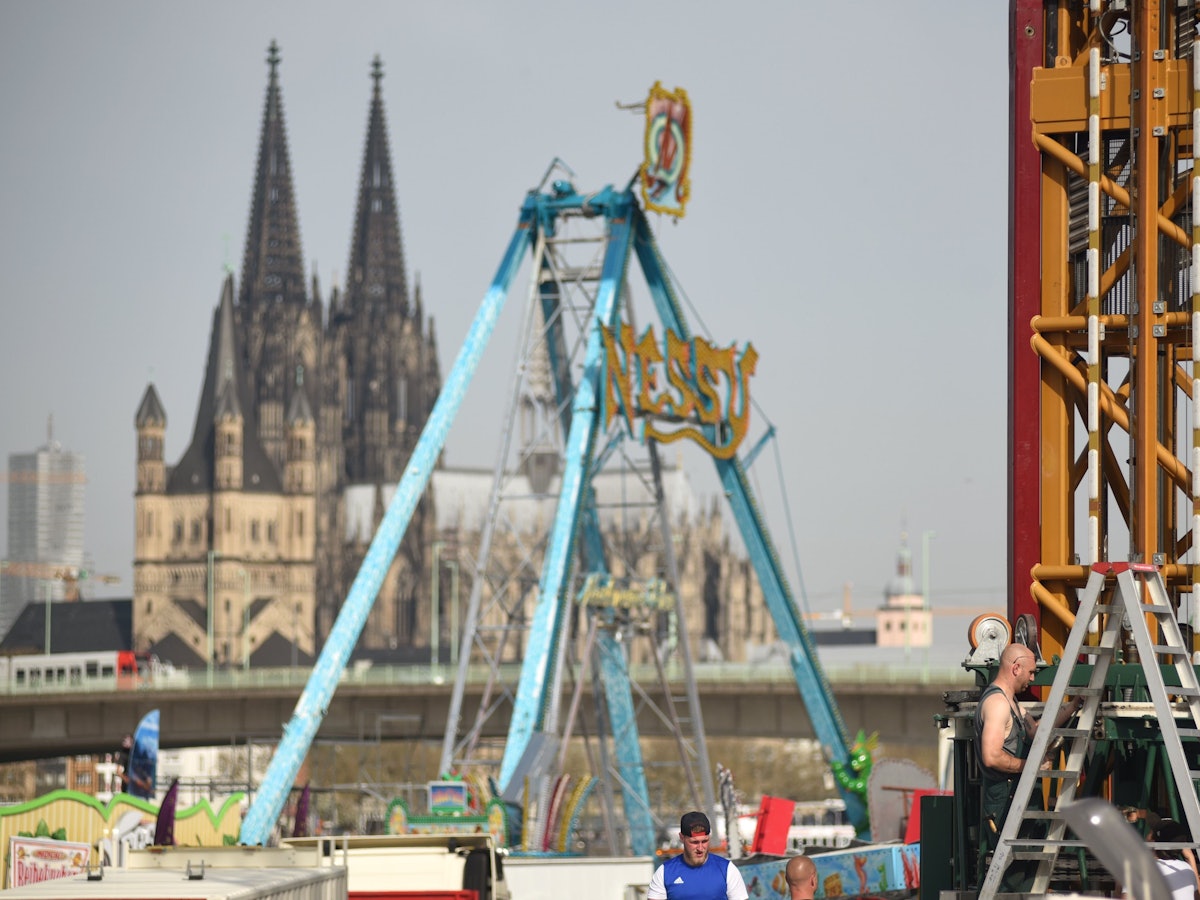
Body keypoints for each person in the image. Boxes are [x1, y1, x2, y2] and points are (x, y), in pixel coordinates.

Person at [974, 643, 1083, 885]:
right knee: (1013, 877)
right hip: (1005, 803)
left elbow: (1036, 730)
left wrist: (1073, 706)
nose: (1032, 679)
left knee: (1026, 873)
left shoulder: (1011, 703)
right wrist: (1030, 766)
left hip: (1019, 799)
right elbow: (991, 756)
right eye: (1031, 672)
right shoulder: (997, 704)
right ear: (1015, 668)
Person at [647, 811, 749, 900]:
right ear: (682, 837)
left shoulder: (728, 870)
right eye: (694, 842)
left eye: (704, 841)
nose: (700, 848)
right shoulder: (664, 872)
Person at [1151, 819, 1200, 900]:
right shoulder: (1186, 869)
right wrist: (1190, 858)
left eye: (1151, 832)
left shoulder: (1143, 868)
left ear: (1153, 840)